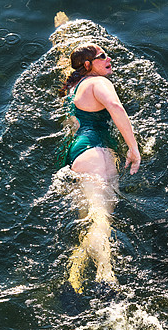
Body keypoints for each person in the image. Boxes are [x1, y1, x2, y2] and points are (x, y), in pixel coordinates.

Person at [58, 43, 140, 294]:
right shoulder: (99, 83)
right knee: (101, 220)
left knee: (93, 219)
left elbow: (65, 65)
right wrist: (133, 149)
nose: (109, 58)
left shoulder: (73, 87)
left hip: (76, 154)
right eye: (102, 56)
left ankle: (72, 279)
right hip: (97, 151)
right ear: (88, 65)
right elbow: (116, 108)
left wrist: (61, 36)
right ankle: (107, 278)